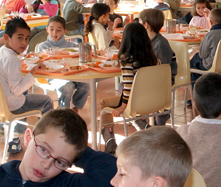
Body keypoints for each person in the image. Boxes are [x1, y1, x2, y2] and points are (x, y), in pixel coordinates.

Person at [0, 17, 55, 154]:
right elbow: (16, 90)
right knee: (46, 101)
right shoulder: (12, 59)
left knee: (25, 95)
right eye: (20, 38)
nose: (24, 43)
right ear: (7, 37)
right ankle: (43, 142)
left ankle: (15, 138)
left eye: (27, 39)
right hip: (9, 105)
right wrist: (33, 73)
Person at [99, 22, 159, 154]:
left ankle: (109, 140)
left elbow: (128, 86)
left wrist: (123, 106)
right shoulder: (154, 59)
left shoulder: (127, 60)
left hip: (135, 102)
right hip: (154, 100)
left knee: (104, 103)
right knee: (128, 102)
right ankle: (143, 126)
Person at [37, 16, 90, 111]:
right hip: (53, 76)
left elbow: (78, 62)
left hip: (71, 74)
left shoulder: (72, 46)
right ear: (47, 29)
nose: (54, 33)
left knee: (86, 84)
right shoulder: (43, 46)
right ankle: (63, 111)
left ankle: (75, 108)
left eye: (58, 30)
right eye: (51, 29)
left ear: (64, 31)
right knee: (67, 86)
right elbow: (41, 65)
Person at [139, 8, 176, 126]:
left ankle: (155, 115)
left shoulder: (160, 44)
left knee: (126, 88)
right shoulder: (146, 41)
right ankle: (146, 121)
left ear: (146, 25)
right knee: (125, 86)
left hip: (161, 82)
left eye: (139, 23)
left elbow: (162, 72)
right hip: (150, 79)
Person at [189, 8, 221, 79]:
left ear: (210, 22)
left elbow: (202, 55)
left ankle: (195, 86)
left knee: (194, 60)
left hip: (211, 65)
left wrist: (203, 42)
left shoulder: (210, 35)